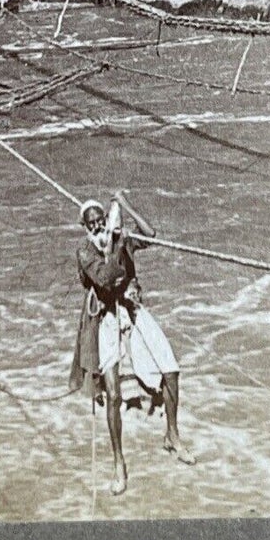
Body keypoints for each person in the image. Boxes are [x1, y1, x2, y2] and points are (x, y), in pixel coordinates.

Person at [68, 192, 194, 493]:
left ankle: (172, 436)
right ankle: (119, 463)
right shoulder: (85, 251)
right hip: (105, 319)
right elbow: (104, 279)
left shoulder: (120, 237)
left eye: (101, 221)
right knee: (113, 395)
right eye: (92, 224)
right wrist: (113, 243)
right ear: (86, 228)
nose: (98, 227)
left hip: (130, 310)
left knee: (170, 371)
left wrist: (124, 208)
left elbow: (150, 235)